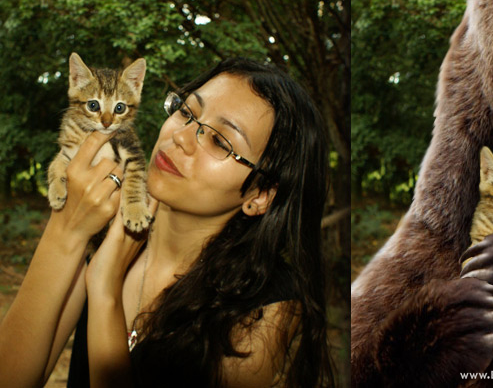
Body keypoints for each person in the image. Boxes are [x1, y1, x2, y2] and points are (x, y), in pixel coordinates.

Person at [0, 58, 334, 387]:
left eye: (220, 141)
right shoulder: (101, 226)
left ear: (259, 195)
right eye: (186, 112)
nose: (183, 137)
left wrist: (105, 290)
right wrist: (65, 230)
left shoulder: (269, 306)